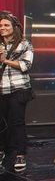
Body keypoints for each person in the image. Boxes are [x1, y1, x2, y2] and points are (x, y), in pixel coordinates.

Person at [0, 13, 34, 172]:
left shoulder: (24, 44)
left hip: (18, 88)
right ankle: (4, 151)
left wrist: (5, 60)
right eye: (1, 26)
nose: (3, 28)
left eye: (6, 25)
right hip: (1, 89)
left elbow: (26, 65)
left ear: (14, 27)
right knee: (2, 123)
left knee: (17, 122)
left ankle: (20, 153)